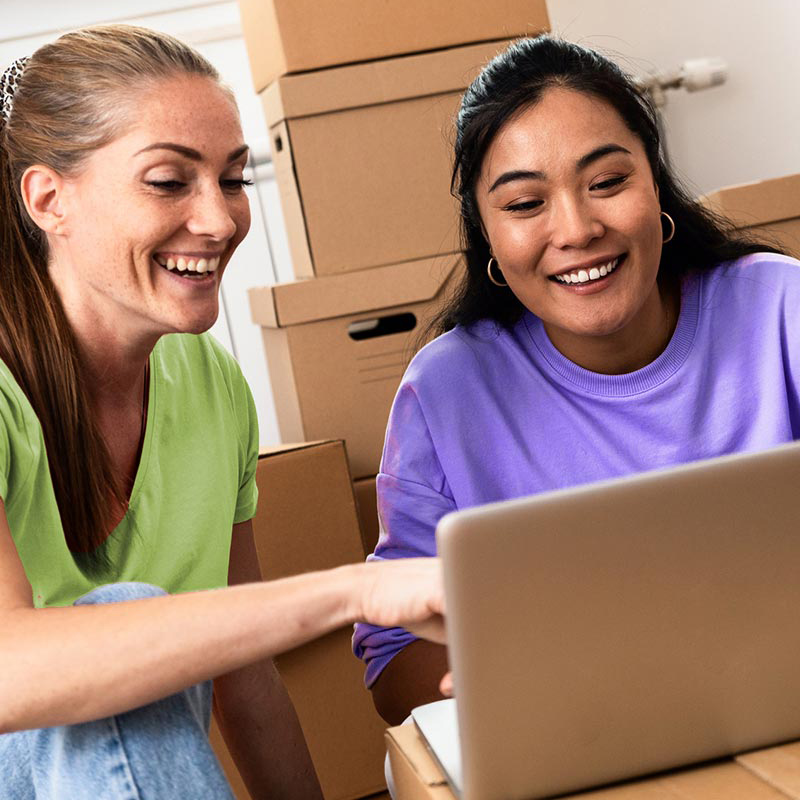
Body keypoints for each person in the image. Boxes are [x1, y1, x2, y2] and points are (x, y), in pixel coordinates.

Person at [0, 24, 446, 799]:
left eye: (233, 179)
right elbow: (13, 671)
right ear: (49, 199)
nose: (219, 220)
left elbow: (245, 677)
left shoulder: (209, 387)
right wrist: (351, 591)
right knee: (114, 638)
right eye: (171, 181)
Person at [353, 34, 799, 726]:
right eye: (525, 203)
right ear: (488, 234)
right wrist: (504, 678)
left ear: (655, 183)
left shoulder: (779, 308)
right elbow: (392, 664)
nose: (577, 229)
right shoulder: (447, 391)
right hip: (585, 740)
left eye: (608, 183)